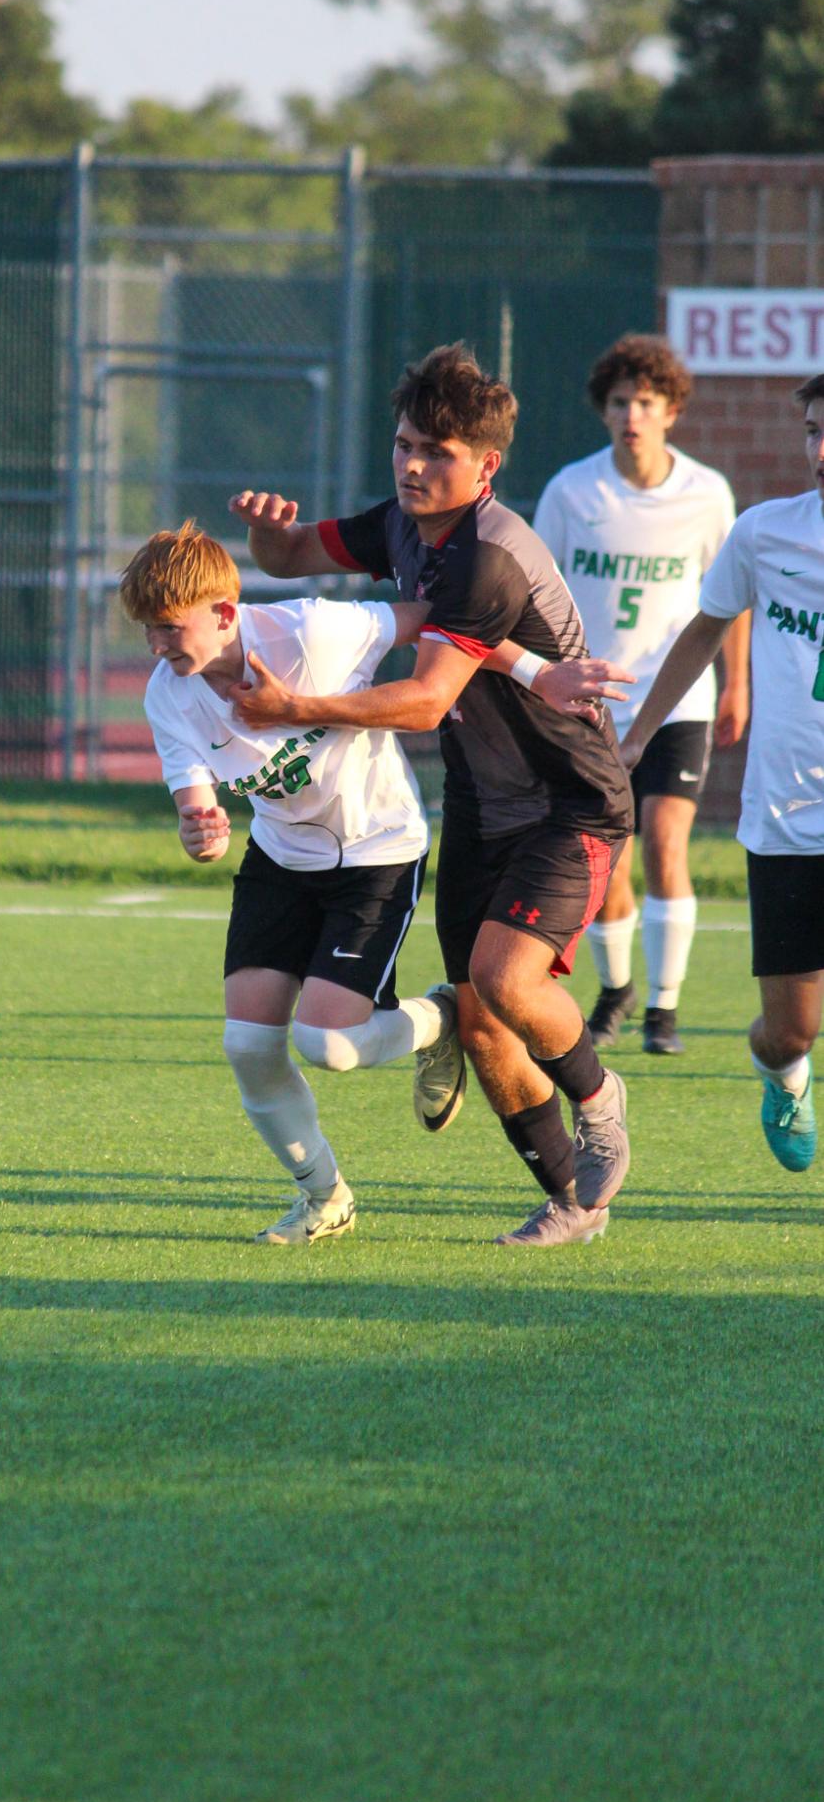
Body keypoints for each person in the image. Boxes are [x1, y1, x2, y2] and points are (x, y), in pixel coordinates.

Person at [229, 342, 634, 1248]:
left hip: (571, 803)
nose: (413, 465)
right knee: (485, 1026)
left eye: (437, 453)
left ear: (486, 466)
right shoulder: (407, 524)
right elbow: (294, 552)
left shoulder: (488, 556)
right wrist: (264, 531)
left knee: (500, 977)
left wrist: (292, 706)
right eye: (406, 444)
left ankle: (603, 1100)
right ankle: (575, 1201)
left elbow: (424, 701)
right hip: (485, 807)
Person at [120, 521, 467, 1245]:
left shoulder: (314, 632)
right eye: (147, 631)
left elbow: (437, 620)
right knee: (248, 1044)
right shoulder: (169, 693)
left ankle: (440, 1018)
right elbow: (197, 805)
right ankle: (324, 1196)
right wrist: (201, 829)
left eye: (167, 628)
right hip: (280, 858)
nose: (157, 647)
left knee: (330, 1045)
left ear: (224, 612)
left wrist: (537, 673)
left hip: (377, 850)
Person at [618, 372, 824, 1174]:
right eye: (812, 429)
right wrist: (637, 737)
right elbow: (704, 632)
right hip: (788, 820)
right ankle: (785, 1074)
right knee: (789, 1029)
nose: (820, 448)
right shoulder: (765, 534)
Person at [533, 334, 748, 1055]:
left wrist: (736, 683)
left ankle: (664, 1008)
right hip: (595, 704)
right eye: (620, 402)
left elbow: (730, 598)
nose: (632, 414)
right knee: (608, 857)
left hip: (680, 700)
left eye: (646, 402)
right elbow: (539, 591)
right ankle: (618, 986)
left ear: (672, 411)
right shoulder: (572, 490)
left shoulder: (707, 493)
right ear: (605, 410)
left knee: (664, 844)